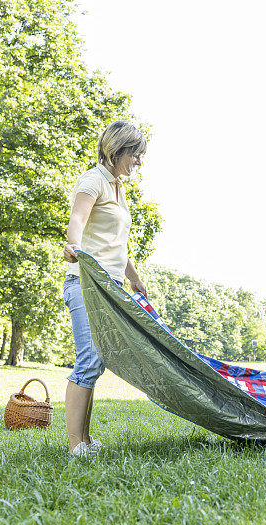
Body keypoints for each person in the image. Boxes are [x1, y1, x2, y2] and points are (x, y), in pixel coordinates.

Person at [62, 120, 148, 457]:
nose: (139, 162)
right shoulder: (93, 180)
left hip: (109, 286)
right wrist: (73, 245)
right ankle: (75, 446)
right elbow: (78, 220)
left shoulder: (118, 188)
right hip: (85, 282)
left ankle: (85, 440)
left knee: (96, 361)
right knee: (90, 358)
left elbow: (116, 242)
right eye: (136, 155)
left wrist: (134, 276)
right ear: (119, 149)